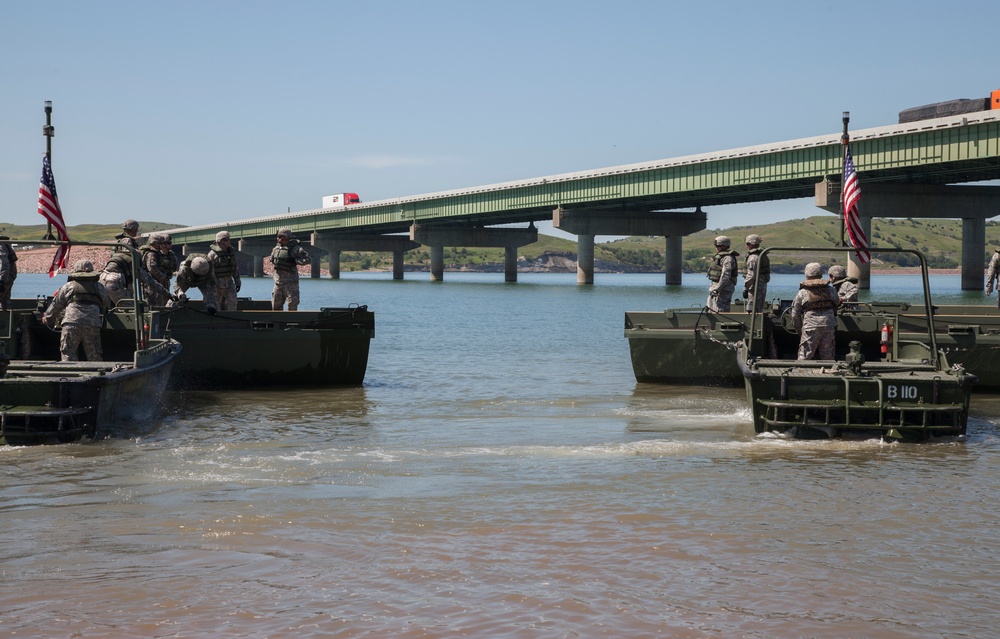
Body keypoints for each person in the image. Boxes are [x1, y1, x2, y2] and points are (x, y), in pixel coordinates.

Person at [42, 259, 107, 361]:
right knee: (95, 356)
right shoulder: (99, 287)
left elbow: (56, 306)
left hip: (71, 324)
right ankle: (98, 375)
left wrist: (48, 319)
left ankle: (68, 376)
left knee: (68, 354)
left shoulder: (68, 286)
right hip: (93, 324)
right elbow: (104, 303)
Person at [790, 262, 841, 360]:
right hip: (828, 325)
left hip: (810, 326)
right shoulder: (831, 290)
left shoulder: (803, 292)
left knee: (804, 357)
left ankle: (801, 373)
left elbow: (795, 314)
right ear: (821, 275)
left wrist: (800, 330)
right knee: (828, 357)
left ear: (807, 276)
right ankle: (828, 374)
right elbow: (837, 303)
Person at [100, 250, 169, 307]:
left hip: (102, 281)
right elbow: (150, 281)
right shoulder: (132, 263)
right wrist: (167, 293)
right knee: (130, 309)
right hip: (114, 283)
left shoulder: (117, 261)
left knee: (106, 309)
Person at [270, 228, 310, 311]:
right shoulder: (276, 249)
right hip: (278, 282)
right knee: (275, 304)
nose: (278, 239)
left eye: (280, 237)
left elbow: (307, 259)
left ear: (287, 238)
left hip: (291, 282)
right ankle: (278, 323)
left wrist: (295, 261)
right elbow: (272, 259)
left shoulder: (296, 249)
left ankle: (292, 322)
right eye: (278, 236)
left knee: (292, 304)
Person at [207, 231, 241, 311]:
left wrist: (238, 282)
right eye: (227, 240)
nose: (229, 241)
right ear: (221, 241)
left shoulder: (230, 253)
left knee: (232, 305)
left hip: (229, 284)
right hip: (217, 286)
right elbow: (210, 273)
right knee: (217, 307)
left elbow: (235, 268)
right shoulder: (212, 255)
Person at [141, 233, 176, 307]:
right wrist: (163, 277)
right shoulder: (151, 254)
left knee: (162, 304)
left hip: (160, 284)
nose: (161, 245)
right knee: (155, 306)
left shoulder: (161, 254)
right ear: (154, 243)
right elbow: (152, 269)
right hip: (153, 285)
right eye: (160, 243)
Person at [706, 235, 739, 312]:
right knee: (713, 308)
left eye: (719, 246)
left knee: (720, 310)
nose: (717, 247)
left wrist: (717, 289)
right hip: (717, 288)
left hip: (723, 289)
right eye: (716, 246)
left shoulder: (727, 258)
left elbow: (725, 276)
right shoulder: (721, 257)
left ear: (725, 246)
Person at [741, 234, 769, 313]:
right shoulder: (761, 255)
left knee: (752, 311)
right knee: (758, 309)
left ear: (751, 244)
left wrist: (745, 288)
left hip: (754, 287)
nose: (747, 246)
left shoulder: (753, 257)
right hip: (761, 286)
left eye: (747, 244)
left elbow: (751, 275)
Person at [0, 236, 18, 311]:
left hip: (4, 279)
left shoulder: (1, 246)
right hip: (7, 277)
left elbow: (4, 264)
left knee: (4, 301)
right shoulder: (5, 245)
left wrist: (1, 281)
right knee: (5, 302)